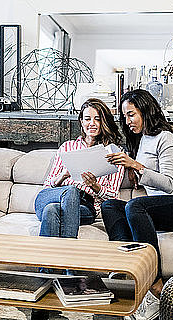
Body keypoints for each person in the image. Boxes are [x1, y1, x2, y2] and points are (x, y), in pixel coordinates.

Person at [102, 89, 173, 320]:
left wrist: (137, 166)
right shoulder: (140, 140)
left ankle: (154, 282)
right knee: (110, 206)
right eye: (125, 117)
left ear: (145, 111)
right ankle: (125, 271)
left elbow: (168, 184)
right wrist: (129, 169)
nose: (127, 122)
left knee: (135, 206)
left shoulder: (165, 138)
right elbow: (147, 183)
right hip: (160, 207)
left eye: (131, 115)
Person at [34, 98, 124, 241]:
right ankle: (70, 252)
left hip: (85, 206)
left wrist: (94, 186)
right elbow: (47, 186)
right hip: (53, 196)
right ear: (81, 122)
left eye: (97, 119)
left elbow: (113, 197)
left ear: (104, 122)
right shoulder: (67, 147)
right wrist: (63, 175)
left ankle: (46, 263)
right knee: (70, 190)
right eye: (87, 119)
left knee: (52, 210)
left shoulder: (114, 153)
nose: (92, 123)